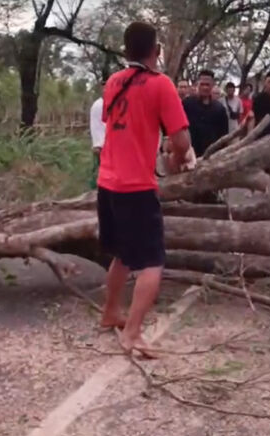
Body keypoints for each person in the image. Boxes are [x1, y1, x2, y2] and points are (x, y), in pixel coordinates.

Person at [97, 21, 192, 357]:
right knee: (151, 261)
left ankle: (111, 313)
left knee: (123, 254)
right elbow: (181, 139)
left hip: (107, 181)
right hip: (135, 185)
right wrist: (178, 161)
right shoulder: (160, 84)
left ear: (126, 49)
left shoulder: (113, 82)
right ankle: (133, 334)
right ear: (158, 50)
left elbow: (118, 126)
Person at [88, 81, 105, 189]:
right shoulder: (99, 105)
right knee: (100, 172)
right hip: (102, 144)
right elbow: (96, 126)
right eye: (105, 87)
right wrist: (97, 144)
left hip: (108, 144)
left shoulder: (110, 103)